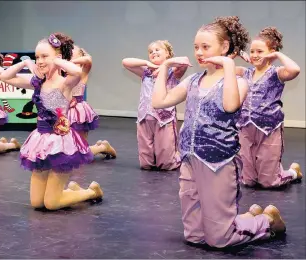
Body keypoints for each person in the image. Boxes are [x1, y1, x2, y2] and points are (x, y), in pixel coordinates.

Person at [151, 17, 286, 248]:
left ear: (224, 47)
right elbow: (159, 101)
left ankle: (266, 221)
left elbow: (230, 105)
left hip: (219, 160)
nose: (199, 52)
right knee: (194, 236)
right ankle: (246, 217)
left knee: (220, 239)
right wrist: (164, 68)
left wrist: (229, 65)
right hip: (190, 158)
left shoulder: (238, 80)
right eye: (196, 47)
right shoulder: (193, 80)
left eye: (205, 47)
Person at [0, 33, 103, 210]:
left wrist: (55, 61)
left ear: (58, 58)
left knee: (51, 204)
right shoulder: (37, 83)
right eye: (37, 57)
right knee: (37, 203)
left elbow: (77, 71)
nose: (39, 61)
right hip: (41, 140)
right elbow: (4, 77)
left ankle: (91, 192)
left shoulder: (65, 83)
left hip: (61, 142)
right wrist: (25, 63)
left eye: (44, 56)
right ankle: (70, 191)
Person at [233, 26, 302, 188]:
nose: (255, 55)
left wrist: (277, 54)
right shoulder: (245, 72)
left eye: (260, 51)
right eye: (252, 51)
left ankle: (293, 172)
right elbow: (221, 69)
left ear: (271, 52)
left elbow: (295, 70)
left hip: (269, 128)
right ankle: (258, 173)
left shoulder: (276, 73)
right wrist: (235, 55)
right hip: (246, 127)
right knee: (248, 181)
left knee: (269, 182)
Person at [122, 40, 187, 170]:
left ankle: (176, 156)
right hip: (145, 116)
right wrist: (146, 63)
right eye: (151, 51)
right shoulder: (146, 71)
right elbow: (125, 62)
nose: (154, 52)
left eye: (158, 49)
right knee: (146, 163)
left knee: (166, 164)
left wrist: (165, 65)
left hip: (164, 117)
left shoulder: (172, 71)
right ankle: (150, 160)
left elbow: (184, 61)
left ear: (167, 53)